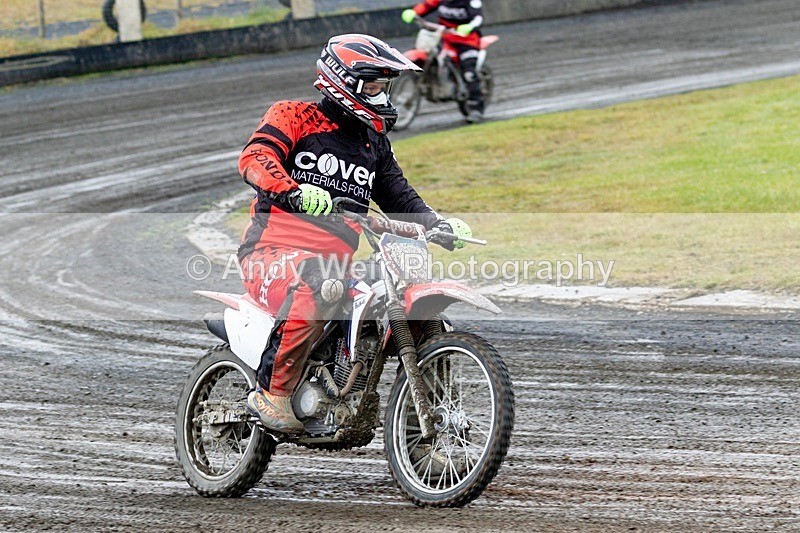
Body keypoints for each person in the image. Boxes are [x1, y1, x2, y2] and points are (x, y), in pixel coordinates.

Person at [238, 33, 472, 434]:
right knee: (319, 281)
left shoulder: (373, 143)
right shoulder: (293, 115)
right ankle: (271, 392)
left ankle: (422, 433)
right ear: (345, 82)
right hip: (270, 252)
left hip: (337, 264)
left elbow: (398, 194)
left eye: (386, 87)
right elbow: (255, 157)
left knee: (409, 302)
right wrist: (293, 191)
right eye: (376, 86)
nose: (383, 96)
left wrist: (437, 223)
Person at [402, 0, 486, 123]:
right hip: (445, 38)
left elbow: (478, 18)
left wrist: (469, 26)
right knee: (426, 53)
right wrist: (414, 12)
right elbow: (427, 5)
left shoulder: (472, 1)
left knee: (469, 73)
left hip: (467, 41)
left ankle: (476, 109)